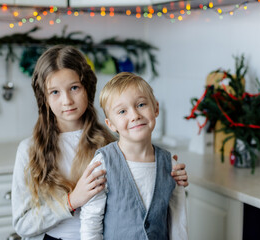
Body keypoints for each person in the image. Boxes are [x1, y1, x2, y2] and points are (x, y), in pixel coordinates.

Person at [12, 45, 188, 240]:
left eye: (74, 88)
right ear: (43, 98)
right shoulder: (29, 150)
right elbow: (22, 225)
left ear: (88, 87)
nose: (67, 100)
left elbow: (144, 192)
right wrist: (71, 201)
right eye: (55, 92)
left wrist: (165, 172)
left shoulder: (110, 144)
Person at [80, 72, 188, 240]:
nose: (135, 115)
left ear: (156, 108)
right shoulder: (103, 164)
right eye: (122, 111)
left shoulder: (171, 165)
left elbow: (178, 221)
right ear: (111, 124)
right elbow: (91, 221)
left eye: (141, 104)